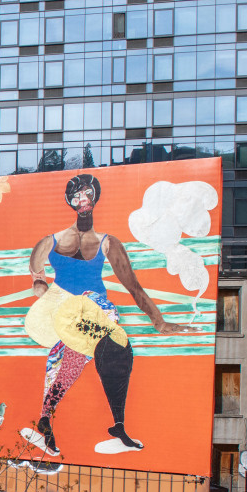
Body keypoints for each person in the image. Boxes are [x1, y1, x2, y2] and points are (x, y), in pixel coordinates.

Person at [23, 173, 196, 457]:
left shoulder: (107, 242)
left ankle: (65, 419)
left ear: (95, 197)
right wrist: (46, 296)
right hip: (65, 310)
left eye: (87, 194)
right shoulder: (49, 241)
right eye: (77, 196)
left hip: (92, 309)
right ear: (70, 201)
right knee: (83, 360)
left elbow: (133, 286)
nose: (82, 200)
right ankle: (83, 421)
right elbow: (37, 277)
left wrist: (158, 320)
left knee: (100, 356)